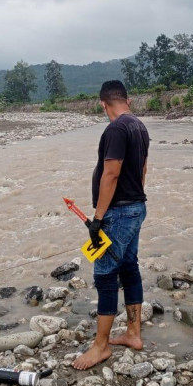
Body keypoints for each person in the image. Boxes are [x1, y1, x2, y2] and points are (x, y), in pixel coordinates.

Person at [73, 80, 150, 370]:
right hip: (135, 207)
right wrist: (135, 199)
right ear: (127, 100)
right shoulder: (139, 126)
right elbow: (142, 168)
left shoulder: (116, 128)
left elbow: (111, 173)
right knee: (129, 267)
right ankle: (133, 333)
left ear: (102, 104)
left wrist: (99, 218)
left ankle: (101, 346)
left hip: (117, 212)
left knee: (105, 274)